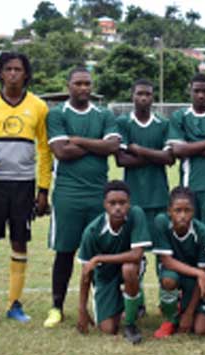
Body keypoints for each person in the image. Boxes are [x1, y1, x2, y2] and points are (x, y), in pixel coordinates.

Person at [0, 52, 51, 327]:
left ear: (26, 74)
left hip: (24, 185)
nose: (14, 73)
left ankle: (15, 305)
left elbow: (44, 149)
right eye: (8, 69)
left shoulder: (39, 106)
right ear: (1, 74)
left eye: (19, 69)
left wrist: (43, 190)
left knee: (20, 242)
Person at [45, 67, 122, 328]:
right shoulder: (57, 114)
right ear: (68, 86)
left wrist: (77, 140)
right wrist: (94, 144)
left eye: (87, 83)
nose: (83, 88)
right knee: (65, 251)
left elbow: (112, 147)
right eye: (78, 83)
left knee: (100, 252)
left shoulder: (104, 114)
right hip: (67, 193)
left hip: (99, 195)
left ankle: (102, 305)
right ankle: (56, 307)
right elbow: (61, 152)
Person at [75, 181, 152, 344]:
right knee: (108, 329)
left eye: (122, 203)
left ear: (129, 203)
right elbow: (86, 272)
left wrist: (99, 258)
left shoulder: (136, 214)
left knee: (129, 269)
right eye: (112, 203)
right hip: (105, 276)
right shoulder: (93, 231)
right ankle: (129, 302)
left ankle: (130, 323)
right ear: (104, 204)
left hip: (129, 267)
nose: (118, 208)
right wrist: (82, 309)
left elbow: (137, 254)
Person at [150, 187, 205, 338]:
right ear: (169, 211)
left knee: (201, 330)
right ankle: (171, 319)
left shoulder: (203, 232)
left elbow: (203, 275)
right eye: (177, 210)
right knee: (169, 280)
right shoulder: (161, 222)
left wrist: (189, 313)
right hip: (172, 273)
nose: (183, 216)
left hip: (195, 282)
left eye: (188, 210)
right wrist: (199, 273)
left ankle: (186, 309)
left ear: (194, 211)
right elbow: (167, 261)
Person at [168, 73, 205, 228]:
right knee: (188, 228)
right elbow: (177, 150)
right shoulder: (180, 116)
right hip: (189, 184)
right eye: (196, 91)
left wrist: (190, 146)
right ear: (190, 91)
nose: (201, 95)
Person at [116, 79, 173, 223]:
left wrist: (137, 149)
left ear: (152, 97)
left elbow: (169, 158)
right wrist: (156, 156)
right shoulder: (123, 122)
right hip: (132, 196)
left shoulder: (163, 123)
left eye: (147, 94)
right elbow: (121, 160)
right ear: (132, 96)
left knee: (158, 241)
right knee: (136, 242)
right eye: (139, 94)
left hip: (159, 195)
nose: (143, 98)